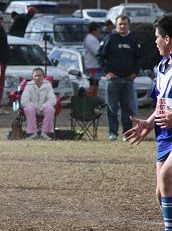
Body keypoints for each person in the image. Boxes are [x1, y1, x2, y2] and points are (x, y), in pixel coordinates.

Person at [124, 13, 172, 231]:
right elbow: (162, 102)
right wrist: (149, 123)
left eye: (157, 37)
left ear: (167, 39)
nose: (155, 41)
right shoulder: (163, 66)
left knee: (166, 176)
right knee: (161, 192)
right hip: (164, 136)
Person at [97, 15, 142, 141]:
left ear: (129, 25)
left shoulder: (133, 40)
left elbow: (138, 58)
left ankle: (127, 133)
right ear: (116, 25)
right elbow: (100, 56)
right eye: (120, 24)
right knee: (112, 107)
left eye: (125, 24)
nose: (122, 26)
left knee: (127, 108)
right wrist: (107, 72)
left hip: (128, 80)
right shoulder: (110, 39)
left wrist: (135, 72)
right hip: (113, 80)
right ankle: (113, 133)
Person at [21, 67, 56, 141]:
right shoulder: (29, 85)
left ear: (43, 76)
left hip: (44, 108)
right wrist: (34, 107)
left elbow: (52, 99)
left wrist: (43, 106)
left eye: (39, 76)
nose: (37, 78)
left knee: (50, 109)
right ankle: (31, 133)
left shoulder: (48, 84)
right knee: (28, 109)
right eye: (35, 76)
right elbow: (24, 100)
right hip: (32, 108)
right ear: (32, 77)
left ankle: (46, 133)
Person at [84, 22, 102, 96]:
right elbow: (96, 52)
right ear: (94, 30)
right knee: (92, 86)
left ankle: (93, 103)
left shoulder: (93, 39)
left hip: (96, 66)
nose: (99, 32)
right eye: (98, 30)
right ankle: (89, 102)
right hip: (92, 67)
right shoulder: (90, 39)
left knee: (95, 85)